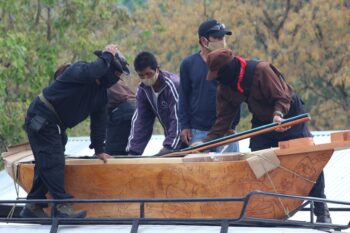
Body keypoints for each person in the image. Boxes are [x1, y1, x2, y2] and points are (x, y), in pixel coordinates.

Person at [200, 48, 331, 223]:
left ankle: (321, 209)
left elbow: (282, 98)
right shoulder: (225, 86)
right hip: (262, 120)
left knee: (307, 160)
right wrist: (205, 142)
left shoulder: (261, 70)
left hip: (288, 115)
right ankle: (264, 205)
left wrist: (278, 115)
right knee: (256, 159)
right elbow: (223, 120)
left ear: (229, 69)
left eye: (219, 74)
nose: (217, 79)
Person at [20, 44, 129, 218]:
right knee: (54, 161)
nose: (117, 79)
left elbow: (99, 123)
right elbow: (94, 70)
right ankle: (62, 206)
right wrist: (108, 54)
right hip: (42, 117)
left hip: (56, 125)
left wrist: (99, 150)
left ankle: (33, 205)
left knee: (46, 163)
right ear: (107, 67)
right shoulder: (80, 70)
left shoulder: (101, 95)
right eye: (116, 74)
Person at [179, 19, 240, 152]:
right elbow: (183, 97)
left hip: (226, 131)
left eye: (223, 37)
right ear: (204, 41)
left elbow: (237, 94)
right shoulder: (188, 64)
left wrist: (233, 124)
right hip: (198, 131)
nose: (221, 41)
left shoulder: (231, 63)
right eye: (217, 37)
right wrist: (184, 126)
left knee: (230, 170)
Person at [126, 51, 182, 156]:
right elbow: (141, 120)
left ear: (157, 69)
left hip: (187, 138)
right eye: (141, 75)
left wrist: (169, 147)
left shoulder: (173, 85)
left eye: (148, 74)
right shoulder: (143, 90)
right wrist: (134, 151)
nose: (146, 78)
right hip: (172, 138)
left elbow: (178, 118)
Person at [105, 80, 136, 155]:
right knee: (127, 150)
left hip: (122, 111)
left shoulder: (99, 76)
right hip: (131, 109)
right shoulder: (113, 78)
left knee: (114, 153)